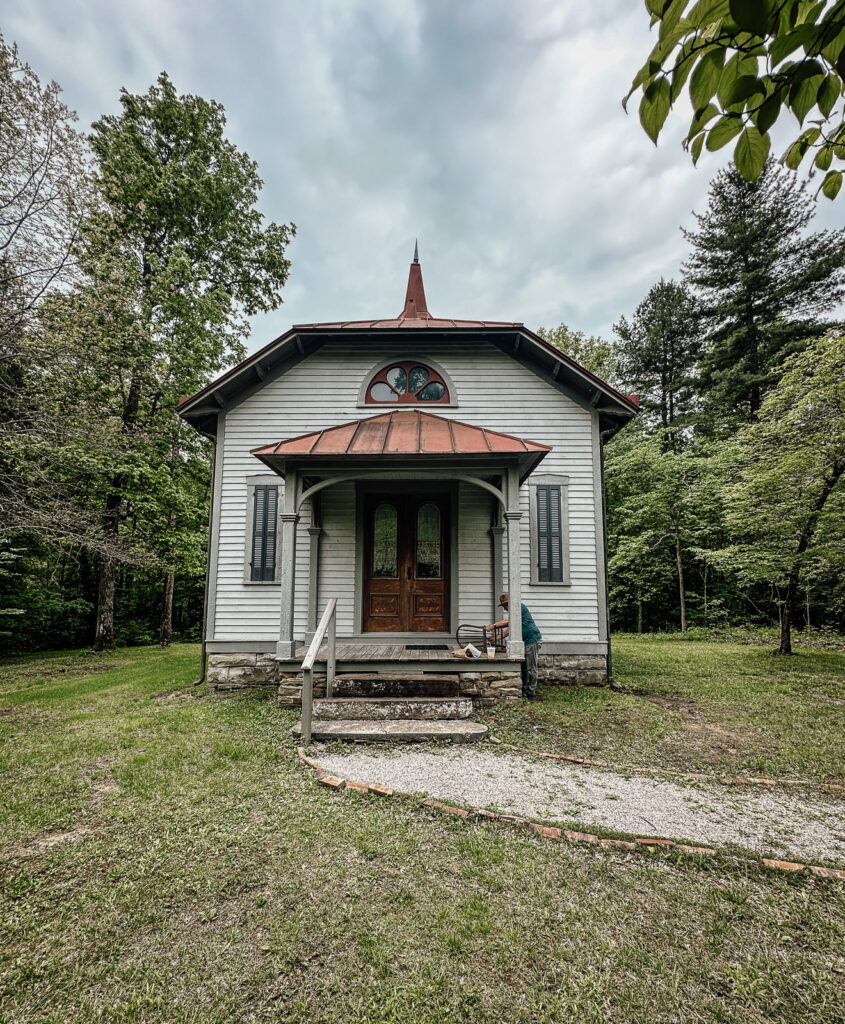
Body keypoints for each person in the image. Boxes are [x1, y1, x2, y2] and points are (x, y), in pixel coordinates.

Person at [486, 592, 542, 700]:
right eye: (503, 606)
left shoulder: (520, 607)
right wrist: (497, 638)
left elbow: (507, 621)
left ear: (510, 603)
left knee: (531, 668)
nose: (505, 608)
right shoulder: (514, 612)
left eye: (506, 605)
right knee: (524, 668)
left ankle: (531, 693)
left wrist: (492, 626)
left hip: (532, 640)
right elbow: (509, 630)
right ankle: (524, 689)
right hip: (525, 642)